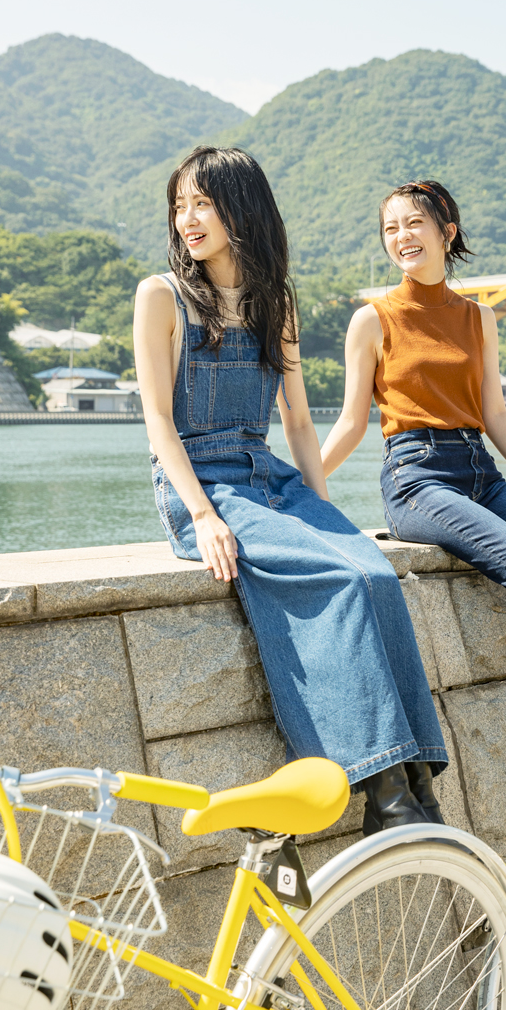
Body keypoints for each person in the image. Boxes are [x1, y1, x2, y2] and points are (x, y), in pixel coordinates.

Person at [133, 147, 447, 834]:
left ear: (240, 207)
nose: (187, 218)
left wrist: (324, 509)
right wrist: (202, 516)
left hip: (267, 477)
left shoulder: (275, 301)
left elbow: (300, 422)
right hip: (206, 484)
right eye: (180, 205)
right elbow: (158, 421)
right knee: (335, 581)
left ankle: (418, 782)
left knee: (370, 569)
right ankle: (384, 791)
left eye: (202, 203)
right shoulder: (161, 296)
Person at [322, 180, 506, 802]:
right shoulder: (371, 320)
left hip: (480, 472)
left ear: (446, 232)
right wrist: (301, 486)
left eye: (413, 224)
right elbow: (352, 421)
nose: (401, 237)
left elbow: (497, 416)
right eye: (390, 228)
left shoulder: (477, 317)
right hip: (416, 478)